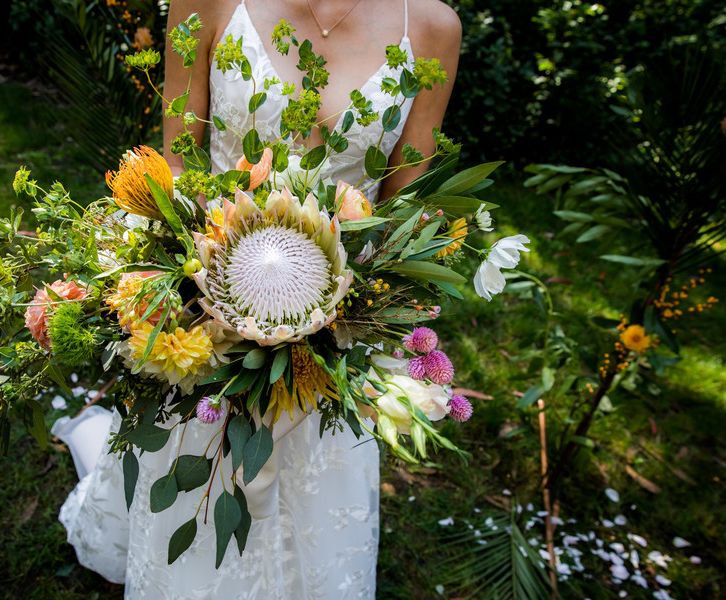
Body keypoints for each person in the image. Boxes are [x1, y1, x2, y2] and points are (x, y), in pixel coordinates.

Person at [58, 0, 461, 597]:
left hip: (334, 331)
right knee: (198, 475)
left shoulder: (430, 25)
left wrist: (361, 317)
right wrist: (191, 295)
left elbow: (406, 211)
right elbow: (176, 166)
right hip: (207, 308)